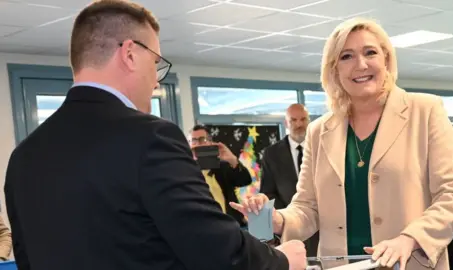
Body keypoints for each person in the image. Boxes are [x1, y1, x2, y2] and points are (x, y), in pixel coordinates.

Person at [4, 1, 306, 270]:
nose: (155, 84)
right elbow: (213, 246)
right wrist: (281, 260)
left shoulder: (23, 157)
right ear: (130, 54)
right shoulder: (151, 138)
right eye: (155, 63)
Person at [231, 17, 453, 270]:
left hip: (409, 263)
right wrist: (275, 219)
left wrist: (410, 238)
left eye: (370, 52)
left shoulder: (425, 111)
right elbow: (306, 207)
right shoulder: (319, 131)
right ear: (334, 68)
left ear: (386, 60)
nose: (361, 64)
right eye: (346, 56)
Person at [260, 103, 319, 256]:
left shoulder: (322, 148)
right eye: (293, 120)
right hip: (287, 228)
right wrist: (287, 217)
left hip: (321, 226)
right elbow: (268, 192)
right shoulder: (271, 154)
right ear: (286, 123)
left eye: (303, 119)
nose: (299, 124)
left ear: (309, 121)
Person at [189, 124, 252, 227]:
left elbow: (245, 180)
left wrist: (232, 159)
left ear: (210, 142)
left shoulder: (222, 166)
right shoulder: (186, 172)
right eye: (193, 140)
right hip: (204, 228)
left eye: (202, 140)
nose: (198, 144)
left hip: (233, 226)